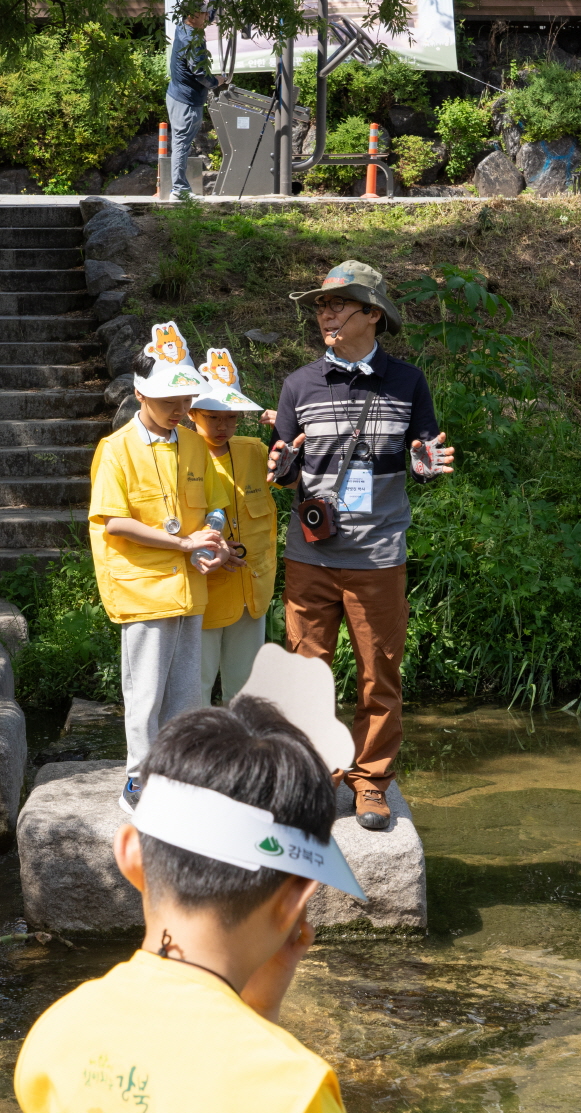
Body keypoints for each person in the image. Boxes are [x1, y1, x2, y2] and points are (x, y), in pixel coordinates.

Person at [14, 693, 362, 1113]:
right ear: (297, 903)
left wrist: (258, 1007)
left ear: (131, 856)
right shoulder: (296, 1098)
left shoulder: (56, 1036)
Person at [268, 261, 455, 831]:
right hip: (309, 555)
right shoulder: (299, 384)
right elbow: (284, 461)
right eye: (321, 307)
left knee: (380, 674)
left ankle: (370, 782)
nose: (324, 314)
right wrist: (282, 466)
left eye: (337, 305)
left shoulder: (408, 382)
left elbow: (424, 451)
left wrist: (427, 463)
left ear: (372, 315)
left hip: (378, 556)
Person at [88, 323, 232, 802]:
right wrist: (185, 546)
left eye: (186, 399)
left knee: (189, 691)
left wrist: (211, 539)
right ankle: (139, 777)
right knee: (145, 692)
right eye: (169, 401)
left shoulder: (193, 443)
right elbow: (114, 523)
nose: (180, 409)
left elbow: (215, 504)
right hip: (143, 589)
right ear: (139, 394)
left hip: (190, 587)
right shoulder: (116, 450)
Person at [192, 348, 276, 702]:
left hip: (251, 588)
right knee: (194, 686)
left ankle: (243, 756)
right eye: (212, 417)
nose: (222, 426)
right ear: (191, 413)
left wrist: (286, 430)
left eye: (230, 417)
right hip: (205, 591)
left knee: (245, 690)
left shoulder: (254, 449)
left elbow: (289, 478)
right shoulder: (182, 453)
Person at [167, 4, 224, 200]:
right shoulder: (191, 38)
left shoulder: (183, 27)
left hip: (176, 94)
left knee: (180, 142)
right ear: (192, 15)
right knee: (181, 144)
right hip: (187, 100)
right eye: (204, 13)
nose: (208, 17)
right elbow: (200, 72)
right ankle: (178, 190)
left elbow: (207, 16)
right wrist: (216, 81)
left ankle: (178, 188)